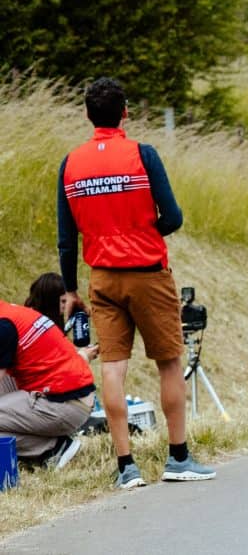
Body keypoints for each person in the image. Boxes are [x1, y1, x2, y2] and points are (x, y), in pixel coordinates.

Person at [56, 77, 214, 489]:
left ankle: (126, 465)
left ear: (88, 114)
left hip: (102, 278)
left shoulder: (70, 164)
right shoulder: (142, 154)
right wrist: (147, 231)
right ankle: (177, 457)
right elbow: (174, 217)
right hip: (147, 272)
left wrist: (71, 288)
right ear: (124, 111)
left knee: (112, 367)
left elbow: (66, 236)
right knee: (168, 362)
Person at [0, 288, 94, 471]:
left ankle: (51, 449)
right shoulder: (9, 314)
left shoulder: (3, 327)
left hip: (66, 404)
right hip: (72, 396)